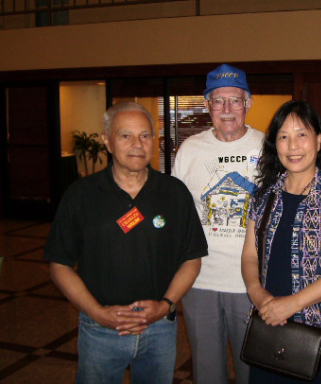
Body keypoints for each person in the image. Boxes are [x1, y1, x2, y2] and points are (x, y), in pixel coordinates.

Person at [44, 102, 208, 384]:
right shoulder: (81, 195)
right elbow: (60, 264)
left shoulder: (173, 193)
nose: (137, 144)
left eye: (145, 135)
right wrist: (98, 314)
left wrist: (166, 304)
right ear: (107, 141)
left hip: (159, 330)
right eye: (125, 136)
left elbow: (192, 258)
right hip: (100, 331)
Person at [241, 100, 321, 384]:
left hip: (319, 333)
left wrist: (291, 305)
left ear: (319, 141)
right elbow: (249, 256)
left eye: (302, 134)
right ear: (275, 145)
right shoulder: (263, 197)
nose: (292, 145)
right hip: (268, 324)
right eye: (283, 136)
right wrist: (258, 295)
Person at [172, 63, 264, 384]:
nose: (227, 110)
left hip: (252, 283)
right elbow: (175, 214)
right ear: (207, 104)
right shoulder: (190, 150)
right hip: (199, 280)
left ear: (248, 103)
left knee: (253, 370)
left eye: (235, 100)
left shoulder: (270, 148)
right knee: (207, 372)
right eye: (218, 101)